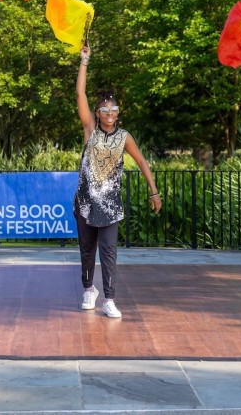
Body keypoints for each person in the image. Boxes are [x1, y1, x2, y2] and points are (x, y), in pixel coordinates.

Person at [75, 44, 162, 318]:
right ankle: (89, 288)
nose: (110, 113)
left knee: (109, 251)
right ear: (98, 114)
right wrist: (84, 62)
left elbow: (142, 162)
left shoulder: (125, 137)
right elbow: (80, 93)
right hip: (86, 202)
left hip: (110, 205)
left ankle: (110, 299)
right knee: (87, 251)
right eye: (105, 109)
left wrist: (154, 191)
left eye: (114, 109)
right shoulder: (90, 129)